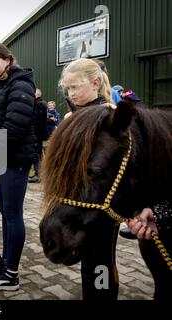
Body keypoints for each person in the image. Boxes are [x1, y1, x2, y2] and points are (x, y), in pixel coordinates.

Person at [0, 42, 37, 291]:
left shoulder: (20, 83)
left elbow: (15, 127)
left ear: (8, 61)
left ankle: (11, 274)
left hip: (15, 158)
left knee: (13, 215)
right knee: (5, 213)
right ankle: (6, 261)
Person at [59, 57, 118, 300]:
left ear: (95, 83)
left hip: (101, 202)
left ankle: (102, 296)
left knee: (101, 258)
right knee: (87, 257)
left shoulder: (109, 116)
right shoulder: (71, 116)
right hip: (79, 200)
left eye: (75, 87)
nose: (71, 93)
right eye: (67, 88)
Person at [28, 88, 48, 183]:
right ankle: (37, 174)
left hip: (37, 135)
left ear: (37, 94)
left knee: (37, 154)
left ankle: (38, 175)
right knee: (36, 154)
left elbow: (38, 122)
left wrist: (34, 134)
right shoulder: (37, 104)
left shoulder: (40, 105)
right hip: (36, 134)